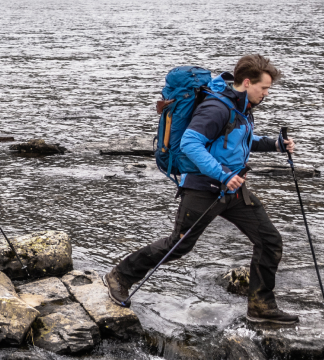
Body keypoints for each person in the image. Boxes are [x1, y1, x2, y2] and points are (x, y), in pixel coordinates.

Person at [104, 54, 300, 324]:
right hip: (203, 188)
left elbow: (238, 140)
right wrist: (222, 173)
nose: (266, 94)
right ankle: (120, 276)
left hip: (233, 190)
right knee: (178, 246)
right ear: (246, 82)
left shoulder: (239, 106)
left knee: (269, 241)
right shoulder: (217, 107)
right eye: (264, 88)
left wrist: (275, 145)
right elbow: (190, 143)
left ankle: (261, 306)